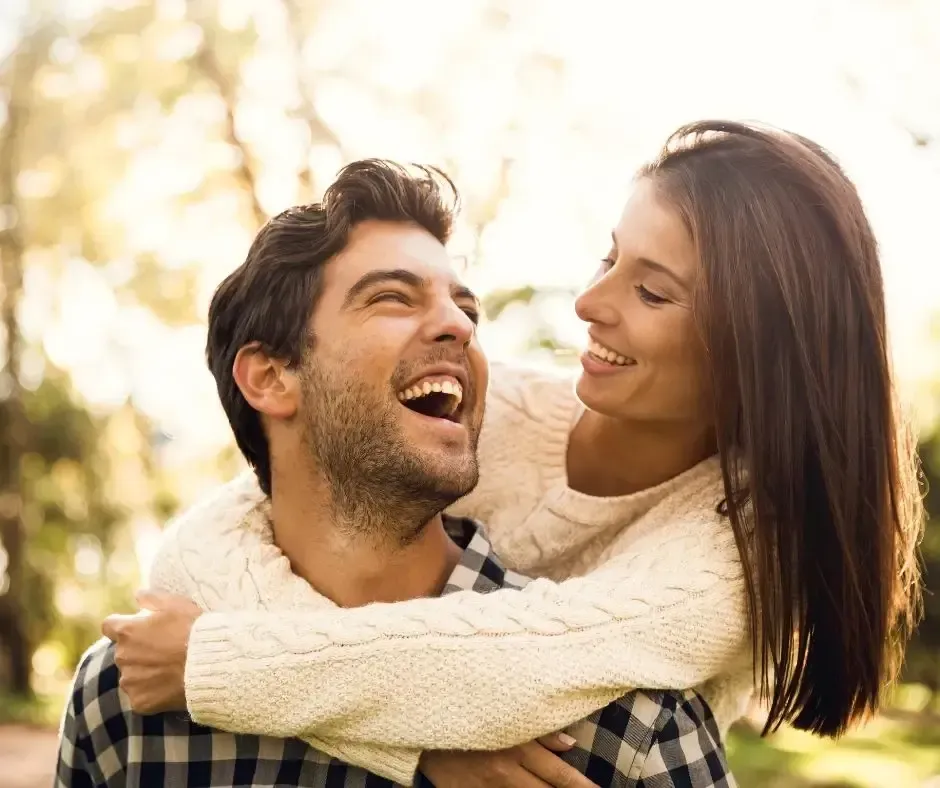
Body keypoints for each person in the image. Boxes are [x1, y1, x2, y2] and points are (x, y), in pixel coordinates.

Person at [103, 121, 924, 786]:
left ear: (752, 357)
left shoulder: (726, 558)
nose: (588, 302)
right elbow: (230, 524)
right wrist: (415, 743)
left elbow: (515, 671)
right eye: (610, 257)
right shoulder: (484, 411)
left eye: (652, 290)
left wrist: (216, 666)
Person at [57, 160, 734, 788]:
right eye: (392, 299)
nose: (460, 328)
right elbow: (209, 531)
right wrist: (412, 743)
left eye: (467, 310)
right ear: (270, 376)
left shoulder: (628, 734)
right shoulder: (125, 704)